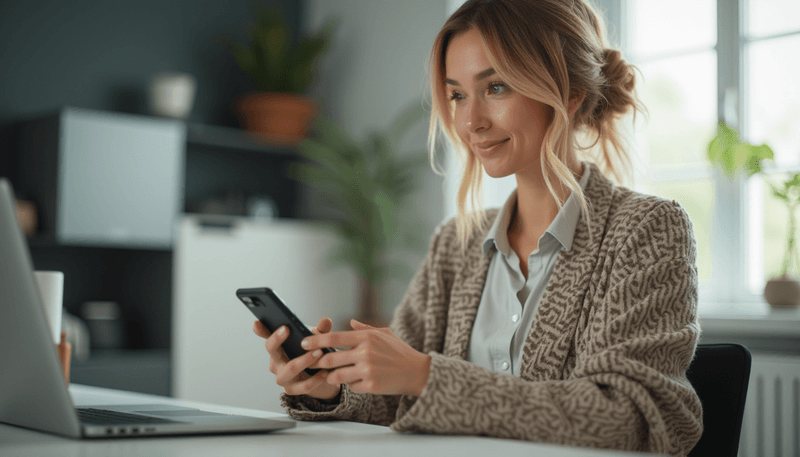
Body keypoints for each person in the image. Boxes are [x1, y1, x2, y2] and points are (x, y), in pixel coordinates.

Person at [253, 0, 703, 454]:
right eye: (457, 95)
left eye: (497, 87)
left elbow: (630, 417)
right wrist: (330, 388)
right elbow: (396, 393)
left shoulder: (647, 231)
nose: (471, 122)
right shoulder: (456, 244)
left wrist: (427, 376)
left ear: (570, 93)